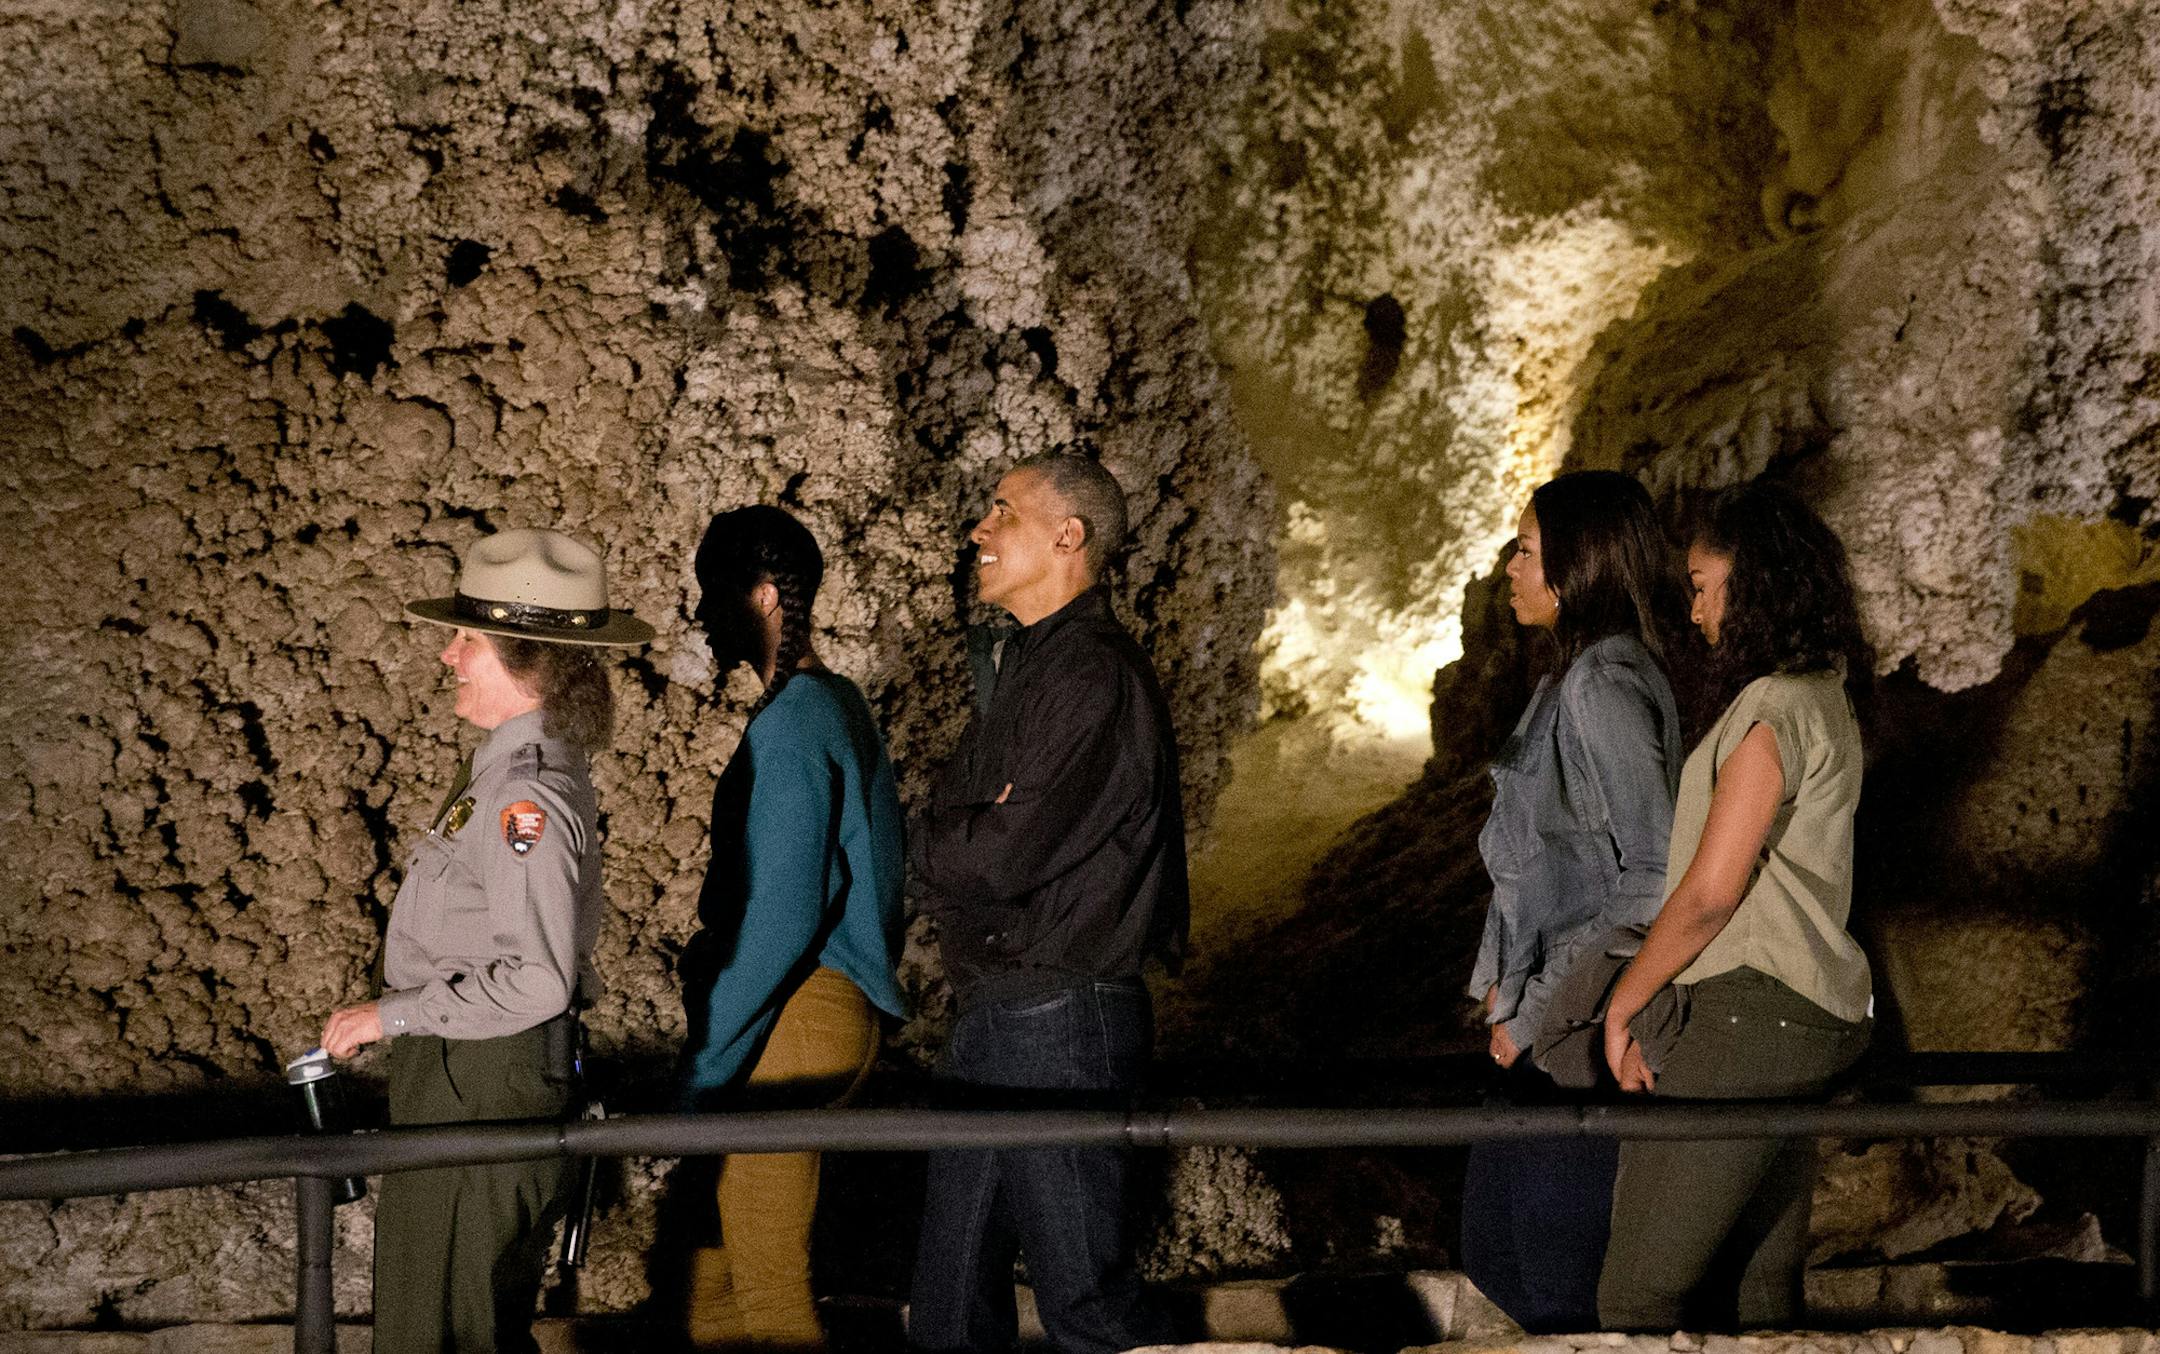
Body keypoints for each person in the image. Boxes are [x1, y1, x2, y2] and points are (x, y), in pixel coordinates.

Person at [319, 526, 653, 1353]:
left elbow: (535, 981)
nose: (450, 658)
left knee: (436, 1331)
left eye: (467, 639)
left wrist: (388, 1016)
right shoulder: (506, 775)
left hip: (480, 1077)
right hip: (468, 1073)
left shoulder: (522, 795)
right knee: (457, 1320)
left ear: (523, 661)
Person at [907, 452, 1186, 1354]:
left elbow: (1000, 853)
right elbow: (977, 835)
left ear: (1069, 536)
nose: (978, 533)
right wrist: (963, 836)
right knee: (950, 1301)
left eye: (1002, 514)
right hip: (1009, 1005)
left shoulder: (1087, 677)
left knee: (1087, 1304)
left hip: (1061, 1013)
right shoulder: (1036, 669)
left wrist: (924, 845)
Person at [1597, 481, 1875, 1331]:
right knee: (1761, 1285)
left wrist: (1625, 1001)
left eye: (1702, 584)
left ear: (1751, 582)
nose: (1692, 609)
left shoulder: (1772, 711)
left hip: (1748, 1019)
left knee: (1639, 1291)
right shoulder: (1828, 697)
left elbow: (1714, 893)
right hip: (1812, 1017)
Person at [1459, 470, 1691, 1332]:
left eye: (1526, 550)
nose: (1510, 569)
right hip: (1542, 1022)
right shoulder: (1576, 679)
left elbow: (1652, 870)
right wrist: (1499, 982)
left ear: (1577, 563)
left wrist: (1534, 1011)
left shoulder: (1602, 684)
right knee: (1499, 1254)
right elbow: (1539, 860)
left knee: (1556, 1280)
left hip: (1572, 1032)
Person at [676, 505, 909, 1352]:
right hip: (826, 1010)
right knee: (713, 1284)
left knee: (768, 1296)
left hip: (795, 1017)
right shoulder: (839, 704)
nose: (703, 614)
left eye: (715, 593)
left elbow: (779, 915)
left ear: (767, 596)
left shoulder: (794, 722)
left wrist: (711, 1055)